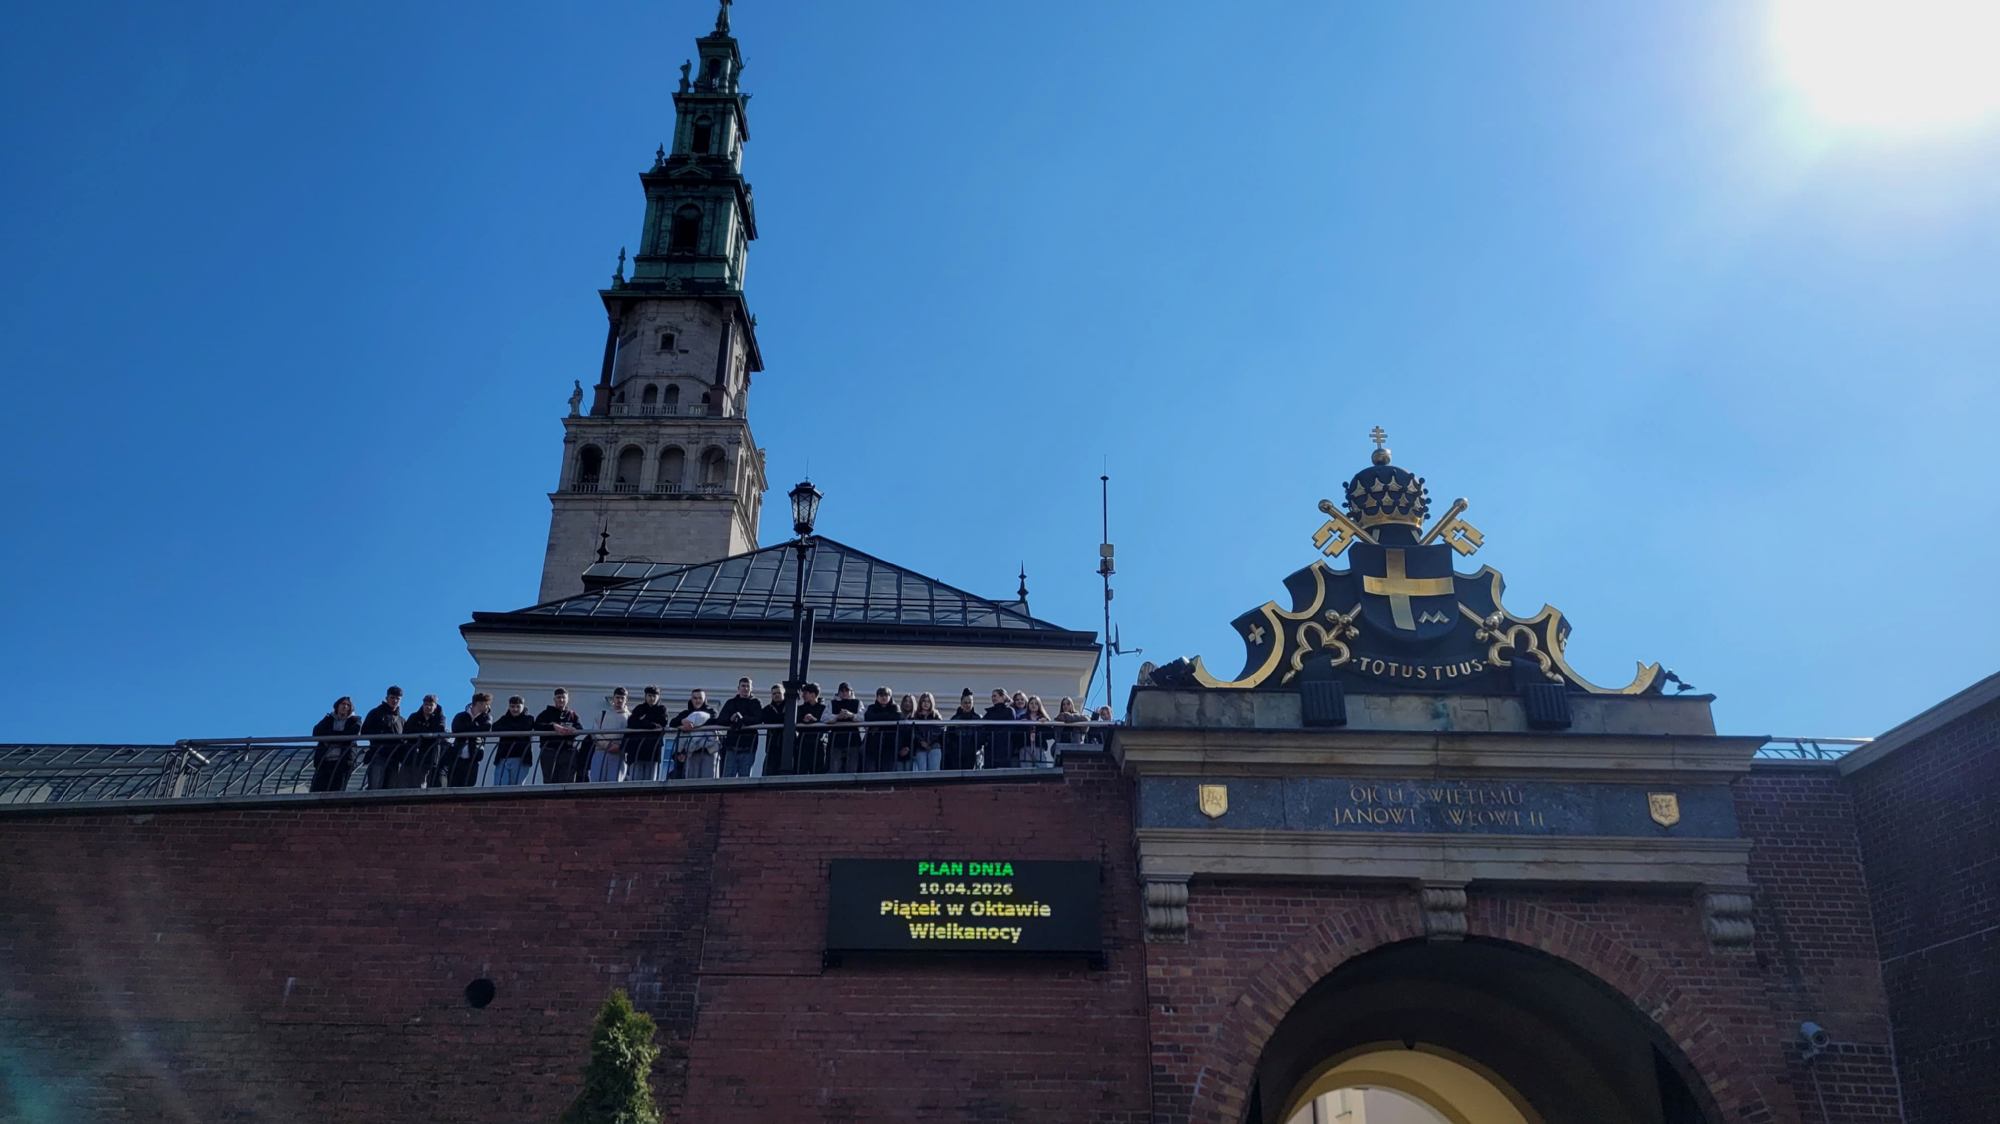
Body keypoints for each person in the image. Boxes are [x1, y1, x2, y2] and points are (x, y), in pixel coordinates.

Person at [309, 696, 360, 792]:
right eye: (343, 704)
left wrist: (329, 739)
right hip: (324, 762)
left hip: (343, 762)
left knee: (337, 791)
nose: (345, 706)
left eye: (348, 705)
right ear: (337, 706)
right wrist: (339, 738)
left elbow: (350, 735)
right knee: (316, 790)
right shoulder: (328, 719)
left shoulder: (355, 720)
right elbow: (316, 732)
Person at [717, 677, 763, 778]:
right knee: (728, 777)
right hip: (731, 745)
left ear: (751, 688)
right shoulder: (731, 702)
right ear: (738, 688)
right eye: (743, 686)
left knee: (745, 777)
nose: (745, 688)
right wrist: (731, 719)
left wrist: (742, 718)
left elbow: (758, 719)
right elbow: (721, 720)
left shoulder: (755, 702)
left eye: (748, 686)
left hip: (748, 746)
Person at [535, 689, 584, 784]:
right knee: (550, 782)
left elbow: (579, 728)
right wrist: (553, 727)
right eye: (558, 697)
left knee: (568, 782)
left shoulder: (572, 715)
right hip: (550, 752)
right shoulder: (545, 714)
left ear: (567, 699)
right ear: (554, 699)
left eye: (563, 697)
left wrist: (573, 730)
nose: (561, 700)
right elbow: (537, 726)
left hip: (568, 752)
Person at [361, 686, 406, 790]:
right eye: (392, 697)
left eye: (398, 698)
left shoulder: (402, 720)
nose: (395, 701)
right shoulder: (375, 713)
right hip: (378, 755)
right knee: (375, 787)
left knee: (390, 789)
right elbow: (365, 731)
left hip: (394, 758)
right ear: (387, 698)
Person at [447, 693, 492, 787]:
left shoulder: (486, 717)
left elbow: (485, 728)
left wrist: (467, 728)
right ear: (479, 703)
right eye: (486, 704)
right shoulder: (461, 716)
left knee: (469, 784)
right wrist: (475, 727)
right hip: (457, 755)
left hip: (474, 756)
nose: (488, 707)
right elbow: (456, 729)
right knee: (453, 783)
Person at [403, 694, 448, 788]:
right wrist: (427, 733)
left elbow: (440, 731)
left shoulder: (440, 718)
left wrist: (422, 733)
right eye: (426, 704)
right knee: (410, 779)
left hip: (431, 754)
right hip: (413, 753)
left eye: (431, 705)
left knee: (425, 779)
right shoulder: (414, 717)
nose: (428, 707)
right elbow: (407, 732)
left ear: (435, 706)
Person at [489, 696, 536, 785]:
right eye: (512, 706)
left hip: (521, 758)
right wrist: (515, 731)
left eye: (518, 706)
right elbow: (495, 728)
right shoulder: (504, 718)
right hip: (503, 757)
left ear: (523, 706)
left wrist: (507, 730)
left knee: (516, 788)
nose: (515, 709)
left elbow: (525, 727)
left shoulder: (529, 719)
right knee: (500, 786)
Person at [626, 686, 669, 781]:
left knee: (650, 781)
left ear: (658, 697)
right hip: (637, 749)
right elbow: (632, 723)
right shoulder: (639, 709)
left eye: (654, 696)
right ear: (645, 696)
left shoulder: (661, 709)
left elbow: (663, 725)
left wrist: (642, 722)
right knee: (635, 781)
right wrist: (651, 724)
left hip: (653, 750)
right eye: (649, 695)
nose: (652, 698)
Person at [672, 689, 717, 779]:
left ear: (704, 699)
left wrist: (693, 725)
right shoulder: (685, 713)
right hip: (690, 753)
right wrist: (682, 722)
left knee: (708, 781)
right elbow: (672, 723)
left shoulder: (711, 712)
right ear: (691, 699)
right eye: (695, 698)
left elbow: (715, 721)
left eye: (700, 698)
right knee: (690, 781)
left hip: (707, 752)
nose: (697, 700)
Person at [589, 687, 632, 783]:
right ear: (613, 698)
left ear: (626, 700)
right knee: (596, 783)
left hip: (619, 754)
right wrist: (607, 745)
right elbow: (595, 732)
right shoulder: (602, 714)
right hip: (600, 752)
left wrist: (620, 747)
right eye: (617, 697)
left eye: (622, 698)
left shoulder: (630, 717)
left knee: (614, 783)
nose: (619, 700)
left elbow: (630, 736)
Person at [827, 683, 864, 773]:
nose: (844, 693)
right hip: (836, 740)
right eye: (842, 691)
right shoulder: (832, 703)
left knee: (852, 768)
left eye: (847, 690)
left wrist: (851, 715)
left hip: (853, 740)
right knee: (834, 768)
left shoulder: (857, 702)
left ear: (851, 692)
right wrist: (837, 717)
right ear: (838, 692)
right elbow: (824, 718)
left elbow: (863, 717)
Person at [862, 687, 900, 773]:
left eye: (886, 695)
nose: (883, 697)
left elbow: (897, 717)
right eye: (881, 695)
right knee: (870, 769)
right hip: (872, 744)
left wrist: (877, 721)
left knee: (886, 770)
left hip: (889, 744)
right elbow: (868, 717)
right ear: (877, 697)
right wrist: (887, 717)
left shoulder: (895, 707)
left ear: (890, 697)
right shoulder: (872, 707)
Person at [793, 682, 827, 775]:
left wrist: (814, 720)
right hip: (803, 742)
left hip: (818, 742)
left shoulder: (823, 708)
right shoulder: (800, 709)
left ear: (813, 694)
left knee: (817, 769)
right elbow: (795, 723)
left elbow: (826, 724)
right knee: (801, 768)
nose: (803, 696)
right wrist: (803, 720)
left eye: (805, 693)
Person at [945, 689, 983, 770]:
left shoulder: (978, 719)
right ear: (961, 704)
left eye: (970, 702)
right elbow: (949, 737)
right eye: (965, 703)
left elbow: (981, 737)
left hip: (972, 753)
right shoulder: (955, 719)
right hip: (956, 754)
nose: (968, 705)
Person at [983, 688, 1020, 769]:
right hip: (991, 747)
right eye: (992, 696)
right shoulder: (990, 713)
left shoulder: (1009, 711)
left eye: (995, 696)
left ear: (1003, 697)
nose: (993, 698)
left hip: (1004, 747)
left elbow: (1011, 727)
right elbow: (983, 727)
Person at [910, 692, 945, 772]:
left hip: (934, 746)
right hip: (920, 747)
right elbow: (914, 731)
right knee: (922, 771)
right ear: (920, 702)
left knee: (934, 771)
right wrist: (921, 741)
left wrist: (930, 742)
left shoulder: (936, 716)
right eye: (924, 701)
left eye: (928, 701)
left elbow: (940, 730)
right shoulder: (915, 716)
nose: (926, 703)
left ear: (931, 703)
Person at [758, 683, 787, 774]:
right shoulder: (767, 709)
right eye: (774, 693)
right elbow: (764, 719)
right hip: (772, 744)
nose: (776, 695)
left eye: (779, 693)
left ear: (784, 693)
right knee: (769, 770)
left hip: (787, 744)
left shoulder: (791, 708)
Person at [1023, 695, 1055, 766]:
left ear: (1039, 705)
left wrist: (1045, 724)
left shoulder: (1043, 718)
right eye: (1031, 703)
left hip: (1039, 746)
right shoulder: (1023, 717)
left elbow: (1050, 735)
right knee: (1025, 769)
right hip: (1025, 747)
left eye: (1036, 703)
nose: (1033, 705)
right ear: (1028, 705)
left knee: (1042, 768)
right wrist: (1023, 724)